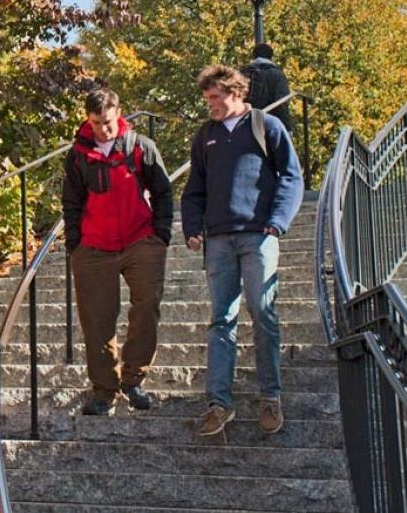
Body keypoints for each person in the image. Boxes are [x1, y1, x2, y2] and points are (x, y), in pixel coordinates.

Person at [181, 64, 304, 437]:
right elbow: (194, 189)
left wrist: (277, 221)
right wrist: (192, 228)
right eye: (207, 99)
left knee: (263, 313)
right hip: (218, 239)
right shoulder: (206, 136)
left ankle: (270, 397)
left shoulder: (266, 127)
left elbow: (291, 176)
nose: (210, 105)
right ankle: (219, 404)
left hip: (257, 237)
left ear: (236, 93)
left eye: (215, 98)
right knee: (221, 320)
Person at [61, 86, 176, 415]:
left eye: (107, 122)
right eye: (95, 123)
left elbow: (163, 191)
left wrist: (161, 234)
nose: (102, 129)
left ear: (119, 113)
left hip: (141, 240)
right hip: (93, 247)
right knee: (96, 321)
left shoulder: (141, 146)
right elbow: (71, 202)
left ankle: (134, 379)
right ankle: (104, 389)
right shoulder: (78, 154)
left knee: (146, 307)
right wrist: (75, 245)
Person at [241, 42, 293, 129]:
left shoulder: (243, 73)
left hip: (246, 124)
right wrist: (287, 127)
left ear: (254, 56)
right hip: (269, 124)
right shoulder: (277, 74)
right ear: (271, 56)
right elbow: (281, 103)